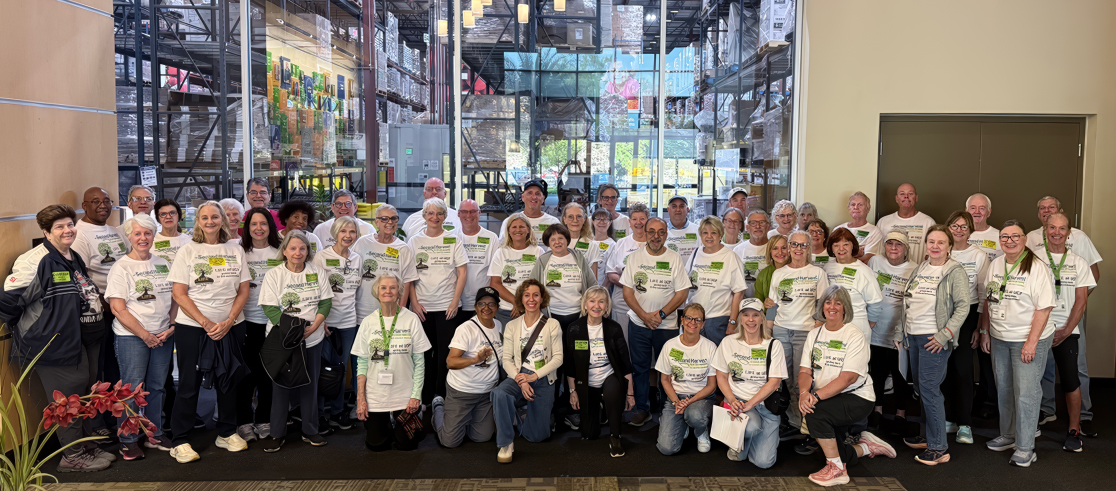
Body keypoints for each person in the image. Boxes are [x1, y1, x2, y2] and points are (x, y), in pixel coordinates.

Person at [1, 205, 113, 472]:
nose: (67, 230)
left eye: (70, 225)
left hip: (82, 339)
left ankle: (85, 445)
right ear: (46, 232)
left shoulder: (72, 255)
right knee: (69, 400)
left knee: (85, 394)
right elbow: (8, 301)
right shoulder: (35, 260)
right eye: (59, 227)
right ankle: (72, 456)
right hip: (55, 344)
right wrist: (36, 328)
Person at [166, 201, 251, 463]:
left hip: (231, 326)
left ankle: (226, 432)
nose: (210, 221)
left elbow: (243, 290)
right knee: (188, 382)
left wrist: (229, 321)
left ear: (223, 220)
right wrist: (205, 322)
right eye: (205, 217)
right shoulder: (187, 251)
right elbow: (179, 293)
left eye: (215, 217)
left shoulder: (235, 249)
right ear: (198, 222)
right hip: (193, 327)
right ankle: (180, 440)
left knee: (228, 379)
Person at [800, 286, 896, 487]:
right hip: (828, 396)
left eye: (838, 303)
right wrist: (803, 393)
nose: (832, 307)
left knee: (814, 413)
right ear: (822, 306)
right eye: (828, 302)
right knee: (832, 452)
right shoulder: (814, 334)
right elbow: (805, 371)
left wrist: (814, 397)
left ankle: (837, 471)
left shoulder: (854, 335)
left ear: (845, 308)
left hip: (857, 397)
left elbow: (848, 378)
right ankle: (866, 447)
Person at [980, 220, 1056, 467]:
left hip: (1028, 338)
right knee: (1004, 389)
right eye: (1005, 236)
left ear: (1024, 239)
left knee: (1026, 394)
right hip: (1000, 337)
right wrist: (985, 331)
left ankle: (1025, 447)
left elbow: (1044, 309)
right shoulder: (996, 264)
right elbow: (989, 299)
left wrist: (1031, 343)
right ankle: (1009, 435)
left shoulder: (1037, 267)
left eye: (1015, 236)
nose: (1009, 241)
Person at [1026, 195, 1102, 436]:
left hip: (1070, 324)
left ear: (1069, 232)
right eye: (1043, 209)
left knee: (1075, 372)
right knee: (1041, 371)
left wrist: (1071, 319)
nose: (1056, 231)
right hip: (1040, 324)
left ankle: (1081, 419)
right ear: (1044, 226)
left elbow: (1089, 283)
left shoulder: (1078, 253)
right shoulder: (1033, 250)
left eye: (1061, 227)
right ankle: (1045, 411)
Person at [105, 214, 178, 460]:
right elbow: (118, 308)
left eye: (147, 233)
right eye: (137, 233)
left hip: (163, 335)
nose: (143, 238)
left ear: (154, 235)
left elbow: (175, 298)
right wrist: (144, 335)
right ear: (129, 236)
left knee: (157, 387)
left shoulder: (163, 263)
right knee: (131, 389)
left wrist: (172, 325)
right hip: (132, 336)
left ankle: (153, 433)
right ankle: (128, 440)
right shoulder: (121, 267)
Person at [900, 224, 970, 465]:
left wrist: (945, 334)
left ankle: (939, 448)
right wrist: (903, 332)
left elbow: (963, 306)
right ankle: (930, 437)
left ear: (949, 246)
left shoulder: (954, 271)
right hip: (914, 335)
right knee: (922, 388)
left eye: (941, 242)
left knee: (930, 389)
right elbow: (909, 301)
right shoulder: (921, 268)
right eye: (931, 242)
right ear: (926, 245)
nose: (935, 246)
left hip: (934, 339)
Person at [258, 230, 334, 451]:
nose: (298, 253)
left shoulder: (316, 271)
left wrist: (315, 325)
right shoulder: (274, 275)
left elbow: (325, 303)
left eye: (302, 248)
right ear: (285, 251)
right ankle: (277, 433)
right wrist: (292, 331)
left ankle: (310, 430)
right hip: (283, 339)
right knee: (280, 386)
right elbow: (270, 308)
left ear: (308, 251)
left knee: (310, 384)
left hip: (312, 338)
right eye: (293, 248)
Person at [621, 217, 690, 427]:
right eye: (651, 231)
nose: (656, 236)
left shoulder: (674, 258)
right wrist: (644, 315)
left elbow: (682, 293)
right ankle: (643, 409)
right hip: (638, 323)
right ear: (645, 233)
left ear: (666, 235)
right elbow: (627, 292)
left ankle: (666, 409)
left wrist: (660, 315)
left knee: (666, 369)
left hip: (666, 326)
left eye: (661, 232)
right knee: (640, 368)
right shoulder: (634, 258)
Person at [352, 274, 431, 451]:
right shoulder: (368, 322)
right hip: (376, 394)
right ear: (377, 292)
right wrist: (361, 398)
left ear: (399, 292)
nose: (388, 291)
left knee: (407, 445)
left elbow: (419, 362)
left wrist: (416, 395)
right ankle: (386, 423)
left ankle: (404, 421)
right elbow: (362, 363)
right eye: (383, 287)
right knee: (376, 445)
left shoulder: (411, 319)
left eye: (393, 288)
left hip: (404, 393)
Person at [72, 187, 128, 435]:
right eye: (96, 201)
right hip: (101, 311)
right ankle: (97, 423)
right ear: (85, 205)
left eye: (106, 201)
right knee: (98, 367)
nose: (103, 205)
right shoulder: (80, 234)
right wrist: (108, 304)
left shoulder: (116, 231)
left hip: (122, 309)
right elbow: (81, 277)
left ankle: (117, 418)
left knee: (116, 364)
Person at [491, 279, 564, 463]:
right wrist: (521, 380)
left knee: (538, 436)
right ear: (521, 299)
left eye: (536, 295)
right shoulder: (512, 326)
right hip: (520, 374)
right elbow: (506, 360)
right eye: (526, 295)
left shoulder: (552, 324)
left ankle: (521, 415)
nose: (531, 299)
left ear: (542, 298)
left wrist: (534, 376)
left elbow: (558, 358)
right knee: (500, 393)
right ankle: (506, 443)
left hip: (543, 377)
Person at [767, 230, 830, 435]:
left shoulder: (817, 273)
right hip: (781, 331)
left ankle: (806, 423)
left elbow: (822, 305)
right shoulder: (779, 273)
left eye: (803, 245)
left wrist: (816, 331)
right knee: (784, 379)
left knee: (801, 381)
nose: (798, 249)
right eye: (794, 244)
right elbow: (772, 306)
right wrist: (768, 332)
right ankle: (796, 422)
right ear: (789, 247)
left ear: (808, 248)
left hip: (805, 332)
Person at [713, 298, 787, 468]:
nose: (750, 320)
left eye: (755, 315)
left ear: (762, 318)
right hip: (738, 401)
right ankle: (742, 439)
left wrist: (750, 404)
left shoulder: (773, 345)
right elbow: (721, 376)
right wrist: (732, 400)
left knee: (764, 462)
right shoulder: (728, 342)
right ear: (740, 318)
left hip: (767, 405)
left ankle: (749, 438)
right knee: (751, 428)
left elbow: (774, 382)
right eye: (746, 315)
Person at [408, 197, 468, 401]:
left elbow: (462, 272)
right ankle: (424, 398)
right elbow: (409, 276)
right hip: (422, 308)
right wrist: (414, 303)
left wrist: (455, 302)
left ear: (445, 216)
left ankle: (442, 396)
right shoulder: (414, 241)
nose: (435, 217)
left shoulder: (453, 239)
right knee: (423, 354)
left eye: (440, 213)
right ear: (424, 215)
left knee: (445, 354)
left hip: (447, 307)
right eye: (431, 213)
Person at [563, 286, 634, 456]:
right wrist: (572, 391)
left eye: (601, 302)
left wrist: (630, 393)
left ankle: (615, 437)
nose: (597, 306)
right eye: (592, 301)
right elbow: (570, 364)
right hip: (586, 380)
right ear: (585, 304)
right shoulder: (574, 329)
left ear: (607, 305)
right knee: (589, 434)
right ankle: (600, 407)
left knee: (613, 391)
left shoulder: (614, 328)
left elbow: (625, 364)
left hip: (609, 375)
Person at [433, 287, 504, 448]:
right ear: (475, 306)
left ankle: (465, 418)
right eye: (482, 304)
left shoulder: (499, 326)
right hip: (462, 392)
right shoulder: (465, 329)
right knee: (450, 442)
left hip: (486, 395)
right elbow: (450, 362)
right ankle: (438, 407)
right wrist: (475, 359)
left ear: (497, 307)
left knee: (482, 437)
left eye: (491, 304)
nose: (486, 308)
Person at [312, 216, 365, 433]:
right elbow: (315, 290)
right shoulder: (321, 257)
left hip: (348, 321)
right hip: (325, 321)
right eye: (343, 231)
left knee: (341, 369)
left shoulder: (357, 259)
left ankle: (336, 412)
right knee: (323, 368)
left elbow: (357, 291)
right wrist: (320, 319)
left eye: (352, 232)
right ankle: (318, 413)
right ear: (335, 233)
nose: (348, 236)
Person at [945, 211, 990, 444]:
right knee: (944, 368)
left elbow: (984, 294)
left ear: (971, 230)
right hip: (942, 314)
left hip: (969, 315)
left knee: (962, 369)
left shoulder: (979, 255)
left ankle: (964, 423)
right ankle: (947, 418)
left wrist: (980, 327)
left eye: (964, 226)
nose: (959, 230)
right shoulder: (940, 250)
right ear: (948, 228)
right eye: (955, 226)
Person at [866, 231, 918, 434]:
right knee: (877, 373)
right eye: (890, 243)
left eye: (899, 244)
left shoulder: (915, 268)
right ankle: (877, 410)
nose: (894, 248)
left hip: (900, 330)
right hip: (876, 328)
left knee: (900, 375)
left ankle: (901, 413)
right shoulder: (875, 262)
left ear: (906, 249)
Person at [237, 207, 281, 443]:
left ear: (270, 226)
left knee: (269, 374)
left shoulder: (280, 251)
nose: (259, 228)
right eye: (254, 224)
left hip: (273, 323)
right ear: (247, 227)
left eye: (263, 223)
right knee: (247, 375)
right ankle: (244, 422)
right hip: (247, 321)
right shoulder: (239, 251)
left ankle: (264, 419)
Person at [655, 303, 717, 455]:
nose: (692, 322)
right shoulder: (670, 346)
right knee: (666, 449)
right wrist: (677, 402)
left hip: (702, 398)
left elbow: (712, 385)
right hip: (675, 398)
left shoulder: (710, 347)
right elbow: (665, 380)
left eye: (697, 319)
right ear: (682, 320)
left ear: (703, 324)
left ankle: (700, 430)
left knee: (695, 415)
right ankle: (683, 423)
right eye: (689, 318)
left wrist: (689, 401)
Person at [687, 216, 746, 345]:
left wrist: (732, 322)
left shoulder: (730, 256)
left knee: (717, 356)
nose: (709, 236)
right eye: (705, 233)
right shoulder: (696, 253)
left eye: (713, 233)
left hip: (718, 321)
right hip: (694, 320)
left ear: (720, 235)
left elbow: (739, 292)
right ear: (700, 235)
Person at [352, 204, 418, 319]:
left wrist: (401, 310)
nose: (390, 222)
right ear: (376, 222)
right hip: (363, 311)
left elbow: (407, 281)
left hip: (391, 312)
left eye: (394, 218)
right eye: (384, 219)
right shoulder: (363, 242)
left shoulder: (403, 248)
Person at [823, 228, 884, 346]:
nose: (841, 249)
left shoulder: (864, 271)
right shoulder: (827, 268)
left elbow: (875, 303)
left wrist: (869, 323)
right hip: (832, 325)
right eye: (836, 245)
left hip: (856, 326)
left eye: (846, 244)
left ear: (853, 246)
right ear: (831, 248)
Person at [530, 224, 596, 330]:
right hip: (551, 315)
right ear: (548, 243)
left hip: (578, 313)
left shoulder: (578, 257)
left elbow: (592, 285)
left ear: (567, 240)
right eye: (553, 239)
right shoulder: (543, 260)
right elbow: (531, 286)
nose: (557, 242)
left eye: (561, 238)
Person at [488, 213, 542, 325]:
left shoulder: (538, 251)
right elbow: (495, 284)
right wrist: (516, 302)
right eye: (514, 227)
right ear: (508, 231)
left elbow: (541, 282)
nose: (518, 230)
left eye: (522, 227)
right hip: (507, 311)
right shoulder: (501, 252)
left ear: (528, 230)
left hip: (533, 308)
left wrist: (526, 303)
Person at [604, 202, 650, 333]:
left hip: (647, 303)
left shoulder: (654, 244)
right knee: (622, 339)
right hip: (622, 303)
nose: (638, 222)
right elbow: (611, 274)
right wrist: (631, 287)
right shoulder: (621, 243)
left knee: (642, 340)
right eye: (634, 219)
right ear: (629, 222)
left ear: (648, 220)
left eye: (642, 219)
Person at [456, 199, 499, 323]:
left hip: (482, 302)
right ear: (458, 214)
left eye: (473, 211)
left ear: (479, 213)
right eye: (464, 211)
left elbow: (495, 272)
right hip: (457, 302)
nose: (468, 215)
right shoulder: (453, 237)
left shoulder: (491, 238)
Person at [876, 183, 937, 263]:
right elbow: (877, 251)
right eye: (902, 194)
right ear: (896, 198)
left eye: (910, 194)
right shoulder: (883, 222)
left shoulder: (928, 222)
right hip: (888, 270)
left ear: (916, 198)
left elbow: (933, 253)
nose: (906, 197)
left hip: (917, 270)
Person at [499, 179, 560, 243]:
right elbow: (502, 245)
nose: (534, 197)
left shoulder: (553, 222)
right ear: (523, 197)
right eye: (529, 193)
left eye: (538, 194)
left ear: (543, 198)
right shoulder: (510, 222)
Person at [753, 234, 789, 333]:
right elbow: (757, 304)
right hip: (769, 323)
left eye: (784, 248)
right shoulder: (763, 274)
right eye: (775, 248)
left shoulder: (798, 271)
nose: (780, 252)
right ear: (770, 252)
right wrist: (765, 305)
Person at [835, 192, 883, 261]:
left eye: (860, 205)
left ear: (868, 208)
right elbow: (833, 256)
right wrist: (855, 253)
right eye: (853, 204)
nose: (856, 207)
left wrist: (845, 254)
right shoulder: (838, 229)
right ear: (848, 208)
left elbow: (866, 259)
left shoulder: (874, 232)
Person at [562, 202, 603, 278]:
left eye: (579, 216)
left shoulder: (592, 245)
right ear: (565, 220)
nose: (575, 220)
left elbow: (593, 279)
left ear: (584, 219)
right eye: (570, 217)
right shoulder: (555, 242)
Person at [966, 193, 1003, 263]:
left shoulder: (1000, 236)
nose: (977, 211)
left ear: (989, 212)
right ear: (966, 211)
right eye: (973, 208)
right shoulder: (958, 235)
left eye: (982, 208)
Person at [152, 199, 191, 264]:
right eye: (163, 214)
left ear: (179, 216)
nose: (168, 217)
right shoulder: (151, 241)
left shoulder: (189, 241)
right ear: (158, 218)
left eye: (172, 213)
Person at [665, 195, 700, 265]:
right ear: (668, 210)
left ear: (687, 209)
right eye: (674, 206)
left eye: (682, 206)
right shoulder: (661, 232)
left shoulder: (699, 231)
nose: (678, 210)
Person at [592, 208, 617, 285]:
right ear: (592, 221)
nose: (602, 221)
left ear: (610, 222)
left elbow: (610, 274)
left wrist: (602, 289)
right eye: (598, 218)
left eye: (605, 219)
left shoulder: (613, 245)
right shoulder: (586, 241)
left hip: (601, 287)